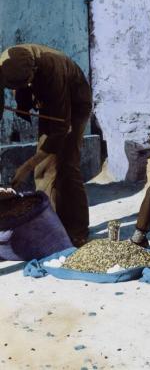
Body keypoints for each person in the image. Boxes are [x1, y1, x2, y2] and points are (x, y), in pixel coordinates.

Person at [0, 44, 92, 247]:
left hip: (74, 104)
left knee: (63, 165)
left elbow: (60, 130)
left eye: (27, 82)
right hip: (47, 103)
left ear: (33, 71)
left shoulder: (53, 72)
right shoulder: (5, 64)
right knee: (46, 169)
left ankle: (76, 231)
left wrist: (25, 167)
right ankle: (53, 227)